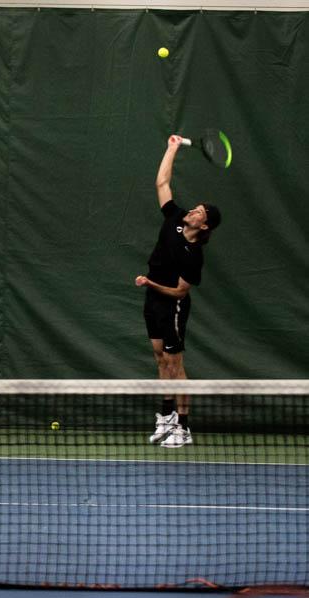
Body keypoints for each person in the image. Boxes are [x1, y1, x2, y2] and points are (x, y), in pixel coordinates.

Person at [134, 135, 222, 449]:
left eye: (199, 212)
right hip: (153, 298)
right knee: (160, 358)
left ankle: (183, 428)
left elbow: (179, 293)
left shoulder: (193, 255)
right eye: (194, 208)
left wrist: (149, 283)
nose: (192, 211)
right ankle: (166, 416)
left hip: (171, 303)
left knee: (176, 364)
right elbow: (162, 183)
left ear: (205, 225)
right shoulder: (174, 218)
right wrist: (171, 148)